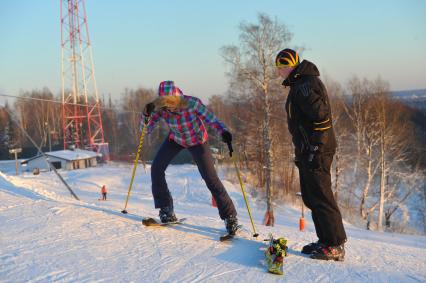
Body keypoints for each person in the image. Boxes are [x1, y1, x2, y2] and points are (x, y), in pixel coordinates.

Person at [275, 48, 347, 261]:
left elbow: (322, 118)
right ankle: (325, 240)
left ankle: (335, 245)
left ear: (290, 66)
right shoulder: (300, 84)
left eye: (281, 68)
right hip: (308, 149)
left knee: (321, 195)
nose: (279, 73)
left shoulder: (304, 86)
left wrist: (316, 148)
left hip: (318, 150)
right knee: (311, 195)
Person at [141, 81, 239, 235]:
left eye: (172, 103)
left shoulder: (192, 103)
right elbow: (146, 130)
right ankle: (166, 210)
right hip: (176, 139)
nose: (170, 107)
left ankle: (230, 217)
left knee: (210, 178)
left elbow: (212, 119)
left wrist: (223, 132)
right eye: (165, 104)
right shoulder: (160, 109)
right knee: (156, 168)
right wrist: (146, 115)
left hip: (197, 140)